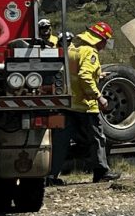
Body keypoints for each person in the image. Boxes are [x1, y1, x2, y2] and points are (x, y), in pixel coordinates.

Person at [49, 20, 119, 185]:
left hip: (68, 104)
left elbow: (74, 73)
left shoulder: (74, 50)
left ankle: (51, 176)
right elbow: (84, 76)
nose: (104, 45)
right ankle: (101, 172)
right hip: (85, 106)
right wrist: (99, 97)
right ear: (100, 39)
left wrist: (98, 75)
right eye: (104, 41)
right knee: (97, 139)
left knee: (60, 142)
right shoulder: (90, 53)